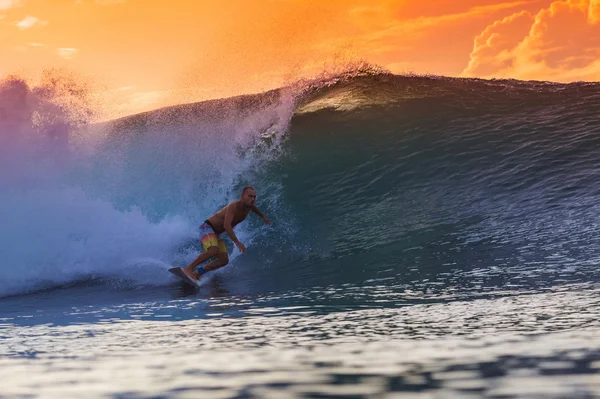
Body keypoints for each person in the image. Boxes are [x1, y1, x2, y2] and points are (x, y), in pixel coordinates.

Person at [182, 186, 270, 281]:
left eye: (254, 197)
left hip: (217, 233)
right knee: (213, 250)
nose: (252, 199)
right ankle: (188, 269)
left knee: (223, 260)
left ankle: (198, 273)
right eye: (250, 196)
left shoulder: (249, 206)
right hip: (208, 227)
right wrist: (237, 242)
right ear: (242, 196)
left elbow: (254, 208)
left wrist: (263, 217)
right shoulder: (234, 206)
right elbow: (227, 226)